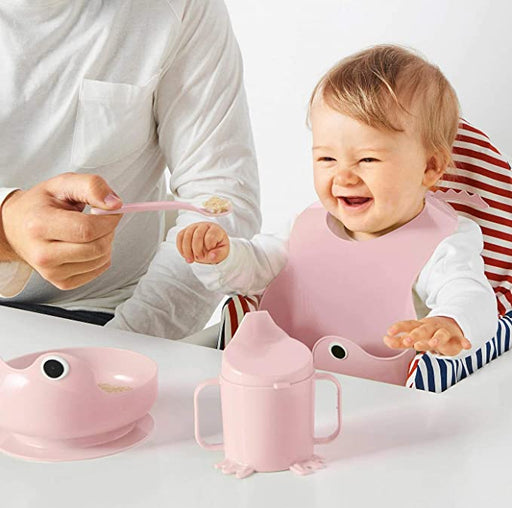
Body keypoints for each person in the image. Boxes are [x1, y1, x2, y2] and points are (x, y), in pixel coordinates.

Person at [176, 44, 498, 383]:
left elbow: (470, 294)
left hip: (383, 402)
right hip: (279, 387)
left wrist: (449, 323)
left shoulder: (442, 240)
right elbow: (255, 269)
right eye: (327, 159)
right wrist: (222, 256)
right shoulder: (306, 226)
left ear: (430, 167)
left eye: (368, 160)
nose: (344, 176)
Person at [0, 0, 260, 339]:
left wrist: (129, 339)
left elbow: (222, 193)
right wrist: (6, 232)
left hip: (107, 312)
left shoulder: (180, 8)